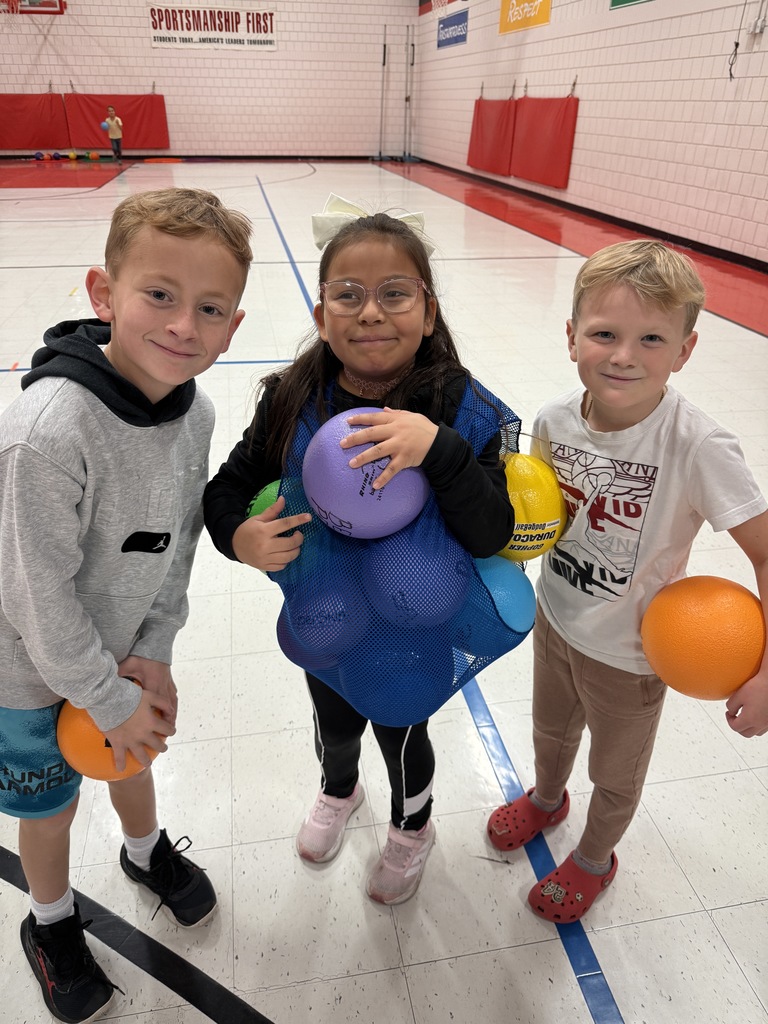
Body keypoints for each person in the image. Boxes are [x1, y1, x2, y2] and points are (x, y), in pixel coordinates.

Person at [204, 193, 520, 906]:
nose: (370, 312)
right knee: (334, 717)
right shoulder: (292, 397)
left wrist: (438, 451)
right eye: (347, 296)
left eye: (394, 294)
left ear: (430, 312)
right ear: (321, 316)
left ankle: (413, 827)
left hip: (420, 616)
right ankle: (337, 789)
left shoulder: (461, 409)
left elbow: (492, 531)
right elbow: (229, 485)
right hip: (328, 612)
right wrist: (237, 537)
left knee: (403, 730)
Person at [0, 186, 253, 1023]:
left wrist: (154, 650)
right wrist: (104, 697)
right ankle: (50, 921)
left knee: (134, 754)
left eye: (210, 308)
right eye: (159, 295)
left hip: (120, 657)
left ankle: (145, 855)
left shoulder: (196, 413)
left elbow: (174, 547)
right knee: (51, 806)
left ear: (233, 328)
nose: (184, 325)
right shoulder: (47, 433)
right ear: (103, 294)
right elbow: (35, 600)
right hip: (30, 674)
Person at [486, 239, 768, 923]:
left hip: (633, 657)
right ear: (571, 337)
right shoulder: (552, 421)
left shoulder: (698, 445)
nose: (623, 355)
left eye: (651, 338)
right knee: (550, 734)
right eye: (604, 334)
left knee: (614, 776)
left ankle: (592, 860)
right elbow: (539, 516)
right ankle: (548, 799)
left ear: (685, 350)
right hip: (555, 619)